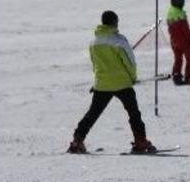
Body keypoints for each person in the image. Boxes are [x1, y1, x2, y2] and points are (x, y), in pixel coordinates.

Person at [67, 11, 157, 154]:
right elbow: (129, 62)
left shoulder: (93, 43)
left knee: (92, 114)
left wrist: (96, 82)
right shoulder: (119, 40)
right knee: (134, 114)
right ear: (115, 22)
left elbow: (95, 65)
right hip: (122, 83)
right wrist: (132, 77)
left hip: (102, 84)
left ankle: (77, 141)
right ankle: (140, 142)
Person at [166, 0, 190, 85]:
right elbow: (185, 29)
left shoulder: (170, 12)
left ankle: (176, 75)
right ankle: (189, 78)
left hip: (174, 40)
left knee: (178, 59)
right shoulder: (180, 14)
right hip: (183, 40)